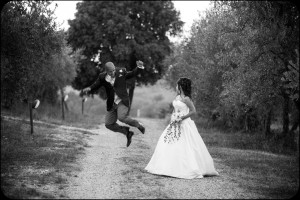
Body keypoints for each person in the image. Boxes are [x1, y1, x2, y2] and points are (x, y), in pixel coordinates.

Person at [145, 77, 219, 179]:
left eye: (177, 85)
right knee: (168, 142)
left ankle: (187, 168)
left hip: (184, 124)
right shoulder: (177, 97)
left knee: (186, 145)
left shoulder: (186, 99)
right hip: (174, 123)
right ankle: (167, 167)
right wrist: (173, 118)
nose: (176, 87)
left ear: (181, 86)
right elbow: (175, 110)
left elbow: (193, 111)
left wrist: (182, 118)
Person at [82, 61, 146, 147]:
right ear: (106, 71)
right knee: (108, 124)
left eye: (113, 70)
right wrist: (89, 88)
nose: (113, 73)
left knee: (121, 117)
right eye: (110, 71)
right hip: (112, 103)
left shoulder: (121, 72)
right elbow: (96, 85)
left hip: (122, 101)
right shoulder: (102, 77)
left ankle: (138, 125)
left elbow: (132, 74)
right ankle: (127, 132)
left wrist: (138, 68)